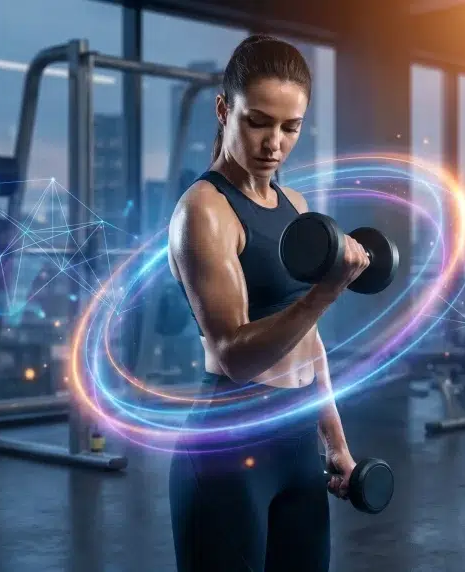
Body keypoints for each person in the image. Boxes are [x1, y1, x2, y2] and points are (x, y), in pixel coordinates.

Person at [166, 34, 369, 572]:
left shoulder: (296, 205)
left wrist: (335, 443)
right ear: (223, 109)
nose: (273, 142)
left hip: (298, 442)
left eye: (290, 127)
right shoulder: (204, 213)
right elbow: (234, 355)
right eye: (258, 121)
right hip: (230, 449)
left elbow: (311, 341)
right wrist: (327, 290)